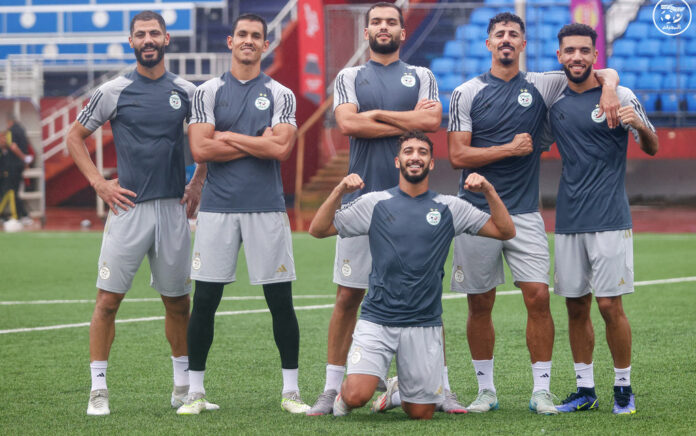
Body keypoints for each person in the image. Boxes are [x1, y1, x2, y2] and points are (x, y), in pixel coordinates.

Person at [447, 12, 621, 414]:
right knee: (479, 304)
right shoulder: (466, 92)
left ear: (523, 45)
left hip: (524, 212)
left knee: (539, 296)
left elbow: (601, 68)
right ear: (488, 44)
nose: (506, 40)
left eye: (514, 35)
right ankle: (486, 391)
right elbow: (457, 155)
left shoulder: (543, 84)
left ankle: (540, 390)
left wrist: (610, 89)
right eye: (499, 35)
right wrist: (508, 149)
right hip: (475, 213)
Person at [308, 2, 456, 416]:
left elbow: (431, 124)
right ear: (366, 30)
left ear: (402, 32)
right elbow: (349, 125)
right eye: (376, 21)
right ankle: (330, 388)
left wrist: (376, 114)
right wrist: (406, 120)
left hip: (414, 203)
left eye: (391, 21)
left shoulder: (421, 75)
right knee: (347, 297)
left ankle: (440, 386)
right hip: (362, 202)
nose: (384, 27)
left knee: (425, 296)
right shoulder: (350, 76)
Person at [308, 131, 515, 420]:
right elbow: (318, 229)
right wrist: (340, 189)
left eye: (422, 152)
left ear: (431, 163)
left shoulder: (449, 207)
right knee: (357, 396)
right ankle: (344, 393)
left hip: (423, 323)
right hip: (378, 319)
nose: (415, 157)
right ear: (398, 161)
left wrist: (489, 191)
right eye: (408, 151)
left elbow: (505, 231)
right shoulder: (374, 202)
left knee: (421, 413)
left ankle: (395, 391)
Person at [66, 11, 206, 416]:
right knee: (107, 301)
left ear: (166, 39)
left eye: (154, 33)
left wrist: (197, 182)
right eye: (141, 34)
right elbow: (74, 137)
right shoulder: (114, 90)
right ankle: (98, 390)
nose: (148, 39)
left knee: (179, 303)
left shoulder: (187, 91)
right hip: (127, 210)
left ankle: (183, 388)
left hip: (172, 210)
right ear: (131, 42)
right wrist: (99, 183)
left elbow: (205, 140)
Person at [176, 13, 308, 415]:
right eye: (243, 35)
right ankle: (195, 393)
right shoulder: (208, 91)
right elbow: (201, 150)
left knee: (280, 301)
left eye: (257, 36)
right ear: (231, 42)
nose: (249, 41)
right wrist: (255, 141)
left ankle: (291, 391)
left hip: (266, 208)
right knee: (206, 301)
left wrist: (227, 136)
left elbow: (282, 150)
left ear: (265, 45)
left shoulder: (282, 94)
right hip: (217, 210)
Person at [548, 23, 658, 415]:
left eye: (584, 50)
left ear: (595, 56)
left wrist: (638, 124)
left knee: (610, 306)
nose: (576, 57)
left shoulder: (622, 94)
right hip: (568, 220)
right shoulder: (552, 99)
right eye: (569, 51)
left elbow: (653, 146)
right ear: (559, 56)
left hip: (611, 217)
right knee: (575, 307)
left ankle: (623, 388)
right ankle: (584, 389)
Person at [2, 114, 34, 223]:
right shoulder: (22, 130)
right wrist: (25, 161)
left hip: (12, 165)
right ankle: (22, 215)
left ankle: (16, 216)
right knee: (15, 191)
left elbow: (13, 146)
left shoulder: (11, 130)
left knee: (11, 191)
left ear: (9, 121)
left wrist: (23, 157)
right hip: (19, 165)